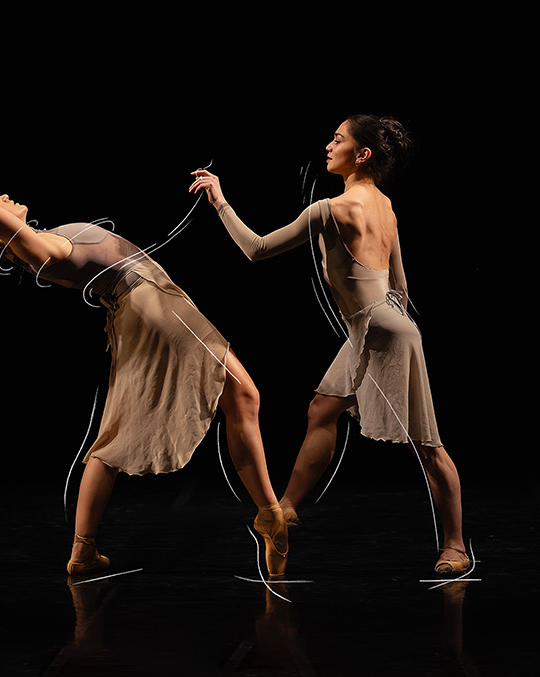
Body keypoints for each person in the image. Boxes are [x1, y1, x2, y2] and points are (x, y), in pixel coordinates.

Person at [0, 176, 289, 578]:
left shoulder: (31, 241)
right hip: (154, 307)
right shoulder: (43, 249)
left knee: (122, 431)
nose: (2, 197)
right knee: (243, 396)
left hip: (141, 307)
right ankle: (269, 515)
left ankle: (83, 550)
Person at [187, 115, 469, 576]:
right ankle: (286, 508)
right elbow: (400, 285)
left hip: (381, 330)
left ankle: (455, 546)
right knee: (321, 409)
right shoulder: (385, 205)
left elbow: (256, 249)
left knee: (426, 444)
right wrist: (386, 325)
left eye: (338, 140)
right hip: (378, 325)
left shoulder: (330, 209)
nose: (329, 146)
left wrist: (219, 201)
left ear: (362, 155)